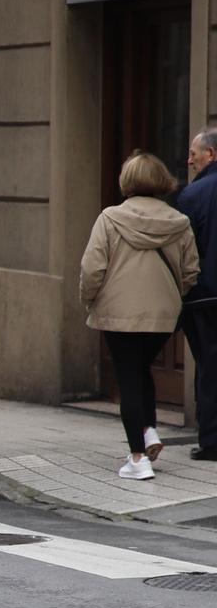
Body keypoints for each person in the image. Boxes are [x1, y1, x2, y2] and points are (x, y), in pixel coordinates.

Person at [78, 150, 200, 480]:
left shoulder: (110, 218)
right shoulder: (180, 223)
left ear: (127, 181)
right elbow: (191, 273)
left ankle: (137, 458)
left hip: (118, 313)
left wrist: (89, 300)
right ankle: (148, 430)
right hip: (163, 316)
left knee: (128, 377)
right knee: (141, 370)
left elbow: (92, 269)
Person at [172, 129, 217, 463]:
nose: (189, 160)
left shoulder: (192, 196)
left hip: (205, 298)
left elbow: (185, 253)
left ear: (211, 155)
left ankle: (212, 441)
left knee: (210, 368)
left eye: (194, 153)